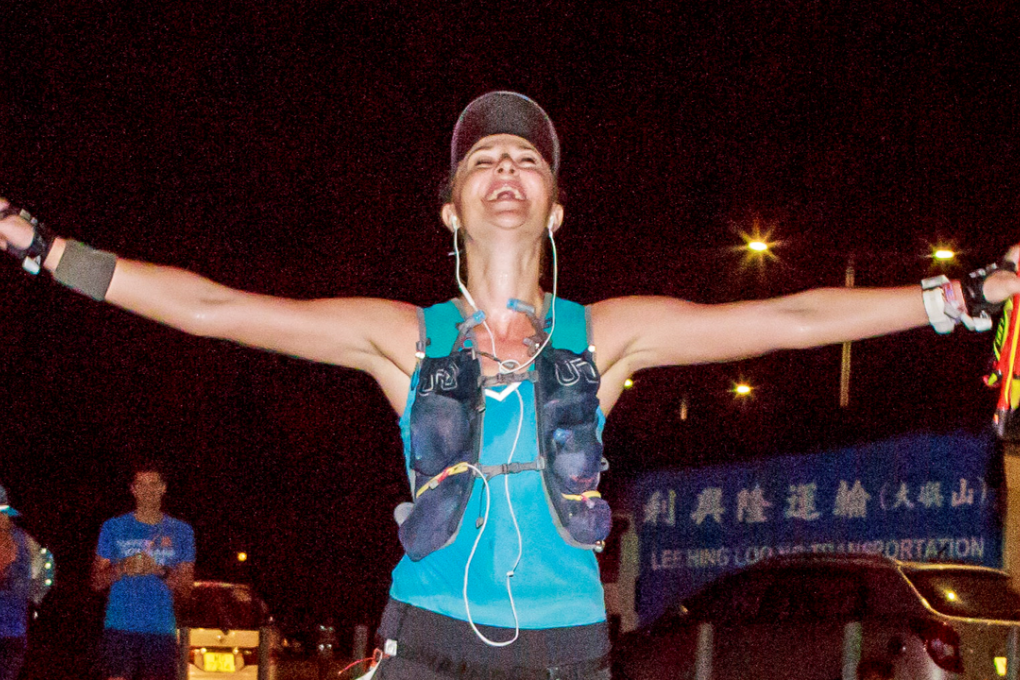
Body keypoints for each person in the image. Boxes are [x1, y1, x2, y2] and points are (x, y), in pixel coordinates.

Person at [1, 91, 1017, 679]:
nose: (502, 168)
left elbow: (790, 318)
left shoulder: (605, 338)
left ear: (555, 210)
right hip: (423, 646)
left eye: (525, 158)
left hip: (568, 654)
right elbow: (217, 306)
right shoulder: (403, 339)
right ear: (450, 210)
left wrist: (961, 294)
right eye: (482, 158)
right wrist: (49, 249)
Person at [91, 463, 195, 680]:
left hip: (161, 630)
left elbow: (186, 590)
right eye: (141, 485)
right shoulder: (113, 527)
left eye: (153, 484)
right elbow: (96, 581)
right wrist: (122, 567)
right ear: (133, 489)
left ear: (163, 488)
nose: (148, 491)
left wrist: (158, 570)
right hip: (119, 627)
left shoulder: (182, 531)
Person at [0, 484, 32, 680]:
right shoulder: (19, 538)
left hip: (7, 636)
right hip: (13, 635)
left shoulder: (14, 541)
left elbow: (14, 584)